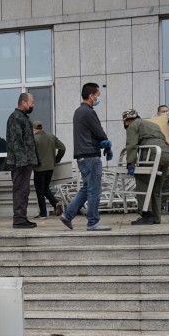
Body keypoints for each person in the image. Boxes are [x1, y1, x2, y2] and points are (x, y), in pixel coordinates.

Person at [59, 82, 112, 231]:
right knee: (94, 190)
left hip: (82, 156)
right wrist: (106, 144)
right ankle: (93, 222)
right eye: (97, 95)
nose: (98, 98)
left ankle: (67, 215)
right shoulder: (89, 112)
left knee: (87, 188)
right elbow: (99, 132)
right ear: (91, 96)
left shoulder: (78, 111)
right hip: (91, 156)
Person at [121, 109, 169, 225]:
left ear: (127, 120)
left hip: (152, 153)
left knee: (142, 180)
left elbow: (132, 144)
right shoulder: (152, 124)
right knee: (156, 187)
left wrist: (130, 163)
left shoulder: (133, 125)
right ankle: (156, 217)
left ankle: (146, 215)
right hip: (166, 153)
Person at [5, 93, 40, 229]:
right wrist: (22, 162)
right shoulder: (16, 118)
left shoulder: (23, 118)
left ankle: (22, 217)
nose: (33, 105)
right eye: (31, 102)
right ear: (23, 103)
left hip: (25, 162)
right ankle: (19, 219)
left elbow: (27, 142)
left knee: (24, 190)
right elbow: (16, 142)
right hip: (20, 163)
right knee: (20, 190)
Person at [31, 121, 66, 218]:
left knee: (40, 191)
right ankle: (56, 203)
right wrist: (57, 159)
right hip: (50, 167)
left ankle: (43, 213)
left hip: (39, 169)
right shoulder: (51, 136)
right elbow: (62, 148)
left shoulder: (34, 139)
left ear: (33, 128)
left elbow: (31, 154)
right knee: (45, 188)